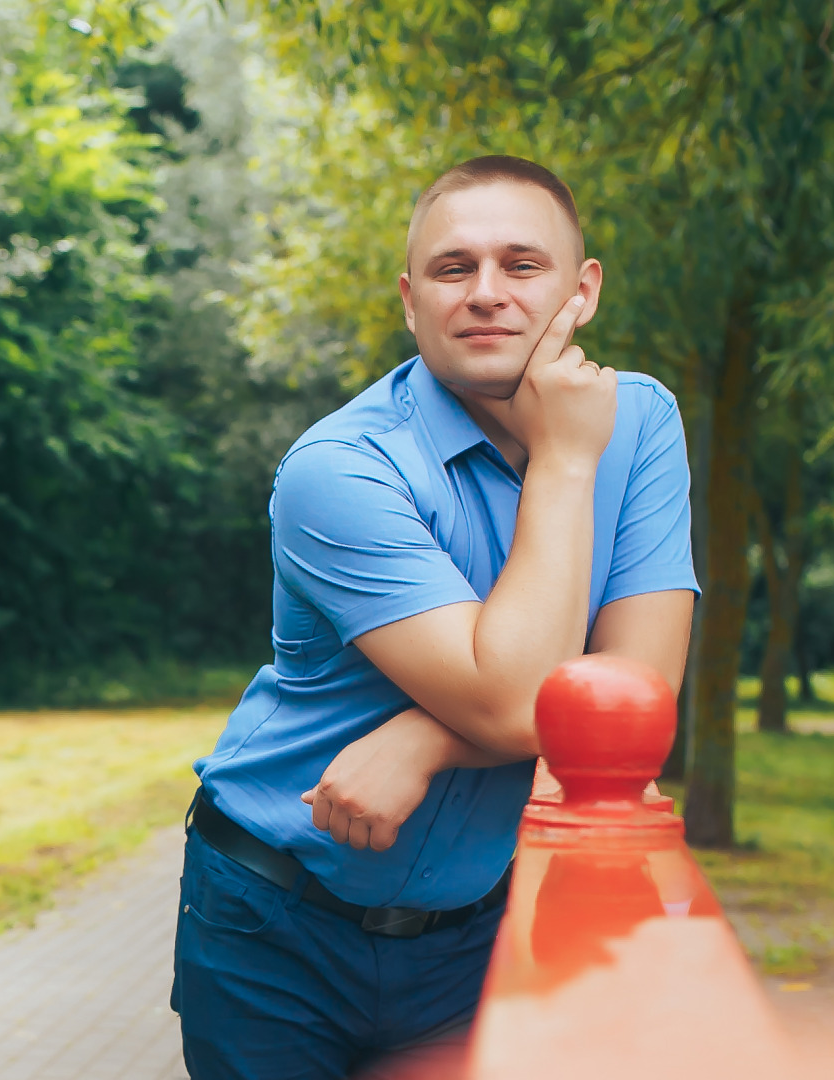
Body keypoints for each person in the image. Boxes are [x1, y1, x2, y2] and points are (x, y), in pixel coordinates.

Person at [171, 154, 698, 1079]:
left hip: (467, 932)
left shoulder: (643, 424)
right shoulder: (338, 469)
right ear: (412, 302)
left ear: (583, 290)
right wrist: (566, 462)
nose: (487, 294)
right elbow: (517, 708)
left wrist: (424, 740)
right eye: (455, 269)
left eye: (522, 266)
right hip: (275, 914)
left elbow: (635, 705)